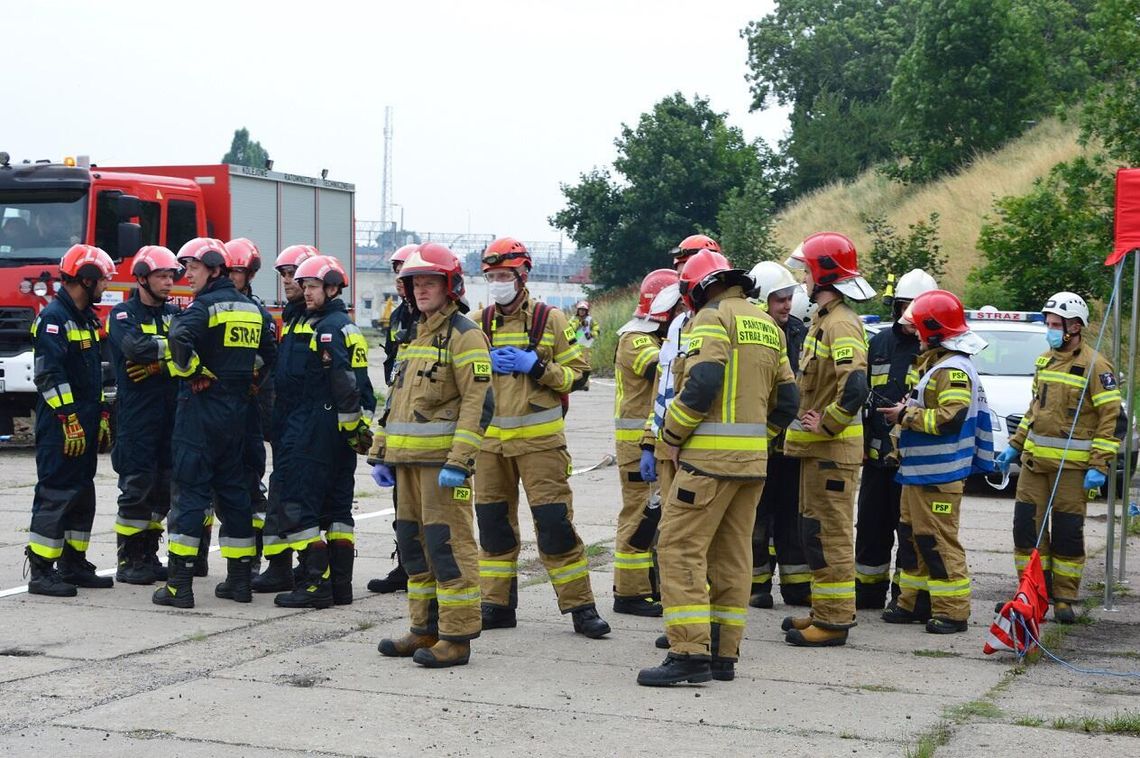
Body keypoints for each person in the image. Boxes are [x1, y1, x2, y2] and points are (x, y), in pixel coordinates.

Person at [637, 250, 799, 686]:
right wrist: (755, 441)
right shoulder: (767, 324)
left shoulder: (709, 318)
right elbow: (789, 401)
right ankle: (724, 655)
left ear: (697, 289)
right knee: (733, 556)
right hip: (751, 466)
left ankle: (689, 652)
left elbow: (703, 381)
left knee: (677, 549)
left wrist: (669, 437)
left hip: (704, 464)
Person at [471, 236, 609, 638]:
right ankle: (496, 605)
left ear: (522, 275)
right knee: (493, 527)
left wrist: (538, 368)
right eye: (491, 275)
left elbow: (578, 374)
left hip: (541, 446)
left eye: (503, 275)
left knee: (554, 526)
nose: (497, 282)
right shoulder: (478, 323)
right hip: (490, 448)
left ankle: (582, 608)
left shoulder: (550, 319)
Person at [371, 243, 493, 667]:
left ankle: (456, 638)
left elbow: (480, 403)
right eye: (415, 283)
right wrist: (380, 452)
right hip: (406, 465)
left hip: (443, 468)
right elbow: (396, 400)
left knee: (449, 548)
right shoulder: (411, 333)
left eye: (429, 282)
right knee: (414, 549)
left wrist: (460, 462)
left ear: (450, 286)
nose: (421, 290)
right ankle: (423, 630)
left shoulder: (465, 335)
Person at [153, 238, 273, 608]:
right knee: (234, 494)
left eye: (193, 267)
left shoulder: (205, 306)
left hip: (200, 412)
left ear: (214, 269)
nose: (186, 274)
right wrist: (249, 380)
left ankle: (179, 586)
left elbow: (177, 337)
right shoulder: (252, 310)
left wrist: (193, 370)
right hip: (237, 415)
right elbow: (270, 356)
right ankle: (239, 582)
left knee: (190, 494)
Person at [996, 291, 1124, 623]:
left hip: (1073, 469)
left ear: (1075, 327)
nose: (1050, 330)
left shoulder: (1096, 366)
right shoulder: (1044, 361)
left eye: (1056, 325)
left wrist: (1099, 465)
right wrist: (1015, 443)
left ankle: (1064, 598)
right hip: (1034, 466)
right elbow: (1033, 411)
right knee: (1027, 531)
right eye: (1049, 324)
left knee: (1067, 533)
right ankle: (1030, 593)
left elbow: (1112, 418)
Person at [879, 290, 994, 633]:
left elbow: (949, 418)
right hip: (917, 473)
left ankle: (953, 611)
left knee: (939, 541)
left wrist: (905, 415)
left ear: (934, 329)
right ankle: (912, 604)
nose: (914, 333)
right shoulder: (935, 363)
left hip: (939, 475)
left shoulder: (954, 368)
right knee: (913, 538)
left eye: (918, 328)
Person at [781, 232, 873, 647]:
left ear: (822, 274)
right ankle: (823, 610)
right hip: (818, 453)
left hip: (832, 452)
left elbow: (854, 386)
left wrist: (830, 423)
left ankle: (834, 622)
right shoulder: (824, 319)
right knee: (814, 531)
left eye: (805, 270)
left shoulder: (839, 323)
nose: (802, 278)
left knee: (830, 534)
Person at [271, 254, 375, 608]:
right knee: (337, 510)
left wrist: (345, 425)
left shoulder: (326, 328)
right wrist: (355, 429)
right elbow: (365, 388)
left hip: (315, 427)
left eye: (313, 286)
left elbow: (345, 382)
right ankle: (341, 586)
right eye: (304, 286)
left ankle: (316, 584)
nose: (306, 292)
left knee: (299, 505)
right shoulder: (347, 326)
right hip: (335, 432)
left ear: (332, 288)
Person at [25, 244, 116, 596]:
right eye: (103, 280)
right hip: (61, 425)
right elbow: (49, 375)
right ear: (86, 280)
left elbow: (103, 372)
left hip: (87, 421)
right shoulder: (53, 319)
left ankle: (74, 563)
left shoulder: (88, 319)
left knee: (82, 492)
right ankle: (42, 572)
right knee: (56, 491)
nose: (106, 287)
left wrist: (105, 413)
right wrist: (68, 418)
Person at [855, 268, 938, 611]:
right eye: (903, 307)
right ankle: (868, 593)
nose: (908, 318)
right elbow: (862, 397)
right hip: (877, 460)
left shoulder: (936, 352)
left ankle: (909, 600)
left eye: (915, 310)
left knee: (911, 535)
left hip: (913, 463)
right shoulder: (878, 344)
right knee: (872, 530)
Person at [108, 245, 182, 584]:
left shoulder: (175, 313)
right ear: (141, 278)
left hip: (171, 415)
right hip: (137, 417)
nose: (169, 282)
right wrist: (172, 350)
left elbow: (191, 349)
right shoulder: (123, 314)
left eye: (171, 276)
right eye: (161, 276)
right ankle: (130, 559)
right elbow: (133, 348)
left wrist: (157, 363)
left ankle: (149, 554)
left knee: (163, 489)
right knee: (136, 487)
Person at [611, 268, 678, 617]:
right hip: (636, 447)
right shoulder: (636, 338)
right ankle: (629, 592)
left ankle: (646, 584)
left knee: (654, 518)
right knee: (639, 516)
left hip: (650, 443)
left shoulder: (654, 336)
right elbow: (660, 369)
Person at [252, 244, 319, 593]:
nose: (288, 282)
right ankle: (279, 567)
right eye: (283, 275)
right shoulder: (290, 317)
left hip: (304, 425)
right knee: (280, 492)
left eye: (294, 275)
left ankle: (307, 573)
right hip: (286, 423)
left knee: (297, 496)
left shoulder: (314, 320)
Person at [640, 235, 721, 516]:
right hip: (669, 445)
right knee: (669, 531)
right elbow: (663, 387)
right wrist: (651, 442)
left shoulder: (721, 320)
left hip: (703, 450)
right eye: (680, 270)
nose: (684, 277)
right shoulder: (677, 325)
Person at [746, 260, 811, 609]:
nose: (786, 305)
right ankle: (756, 588)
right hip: (759, 443)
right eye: (779, 299)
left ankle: (797, 586)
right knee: (756, 518)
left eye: (789, 298)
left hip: (792, 446)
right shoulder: (752, 334)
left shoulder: (801, 332)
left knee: (792, 518)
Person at [367, 243, 419, 595]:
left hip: (430, 418)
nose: (400, 278)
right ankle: (407, 565)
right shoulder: (400, 316)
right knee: (402, 499)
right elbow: (392, 367)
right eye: (397, 271)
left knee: (432, 504)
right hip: (400, 411)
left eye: (406, 270)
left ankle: (430, 569)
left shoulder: (436, 315)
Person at [224, 238, 277, 577]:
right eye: (227, 271)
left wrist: (243, 372)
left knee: (248, 485)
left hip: (247, 410)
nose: (231, 278)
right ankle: (196, 558)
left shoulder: (258, 313)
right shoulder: (210, 307)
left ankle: (250, 559)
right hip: (213, 411)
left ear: (250, 275)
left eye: (238, 272)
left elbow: (267, 356)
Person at [569, 300, 597, 379]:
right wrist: (580, 324)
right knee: (575, 363)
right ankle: (576, 379)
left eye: (584, 310)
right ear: (578, 310)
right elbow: (570, 328)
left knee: (586, 364)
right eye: (580, 309)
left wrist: (591, 334)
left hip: (586, 346)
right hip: (575, 345)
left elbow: (597, 329)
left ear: (586, 311)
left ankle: (585, 382)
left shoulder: (590, 320)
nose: (582, 311)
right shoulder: (573, 319)